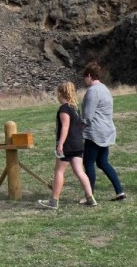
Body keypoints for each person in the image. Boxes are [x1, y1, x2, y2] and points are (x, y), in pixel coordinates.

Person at [38, 81, 96, 209]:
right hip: (78, 144)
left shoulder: (64, 109)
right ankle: (90, 197)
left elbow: (65, 127)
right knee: (80, 171)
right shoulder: (75, 108)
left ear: (60, 94)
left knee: (59, 171)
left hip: (68, 145)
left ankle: (54, 200)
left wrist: (60, 144)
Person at [81, 61, 126, 201]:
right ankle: (119, 191)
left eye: (85, 77)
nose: (84, 80)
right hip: (106, 130)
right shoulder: (105, 88)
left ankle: (90, 195)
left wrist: (77, 127)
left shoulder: (92, 91)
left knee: (88, 163)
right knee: (102, 162)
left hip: (95, 132)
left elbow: (88, 116)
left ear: (89, 75)